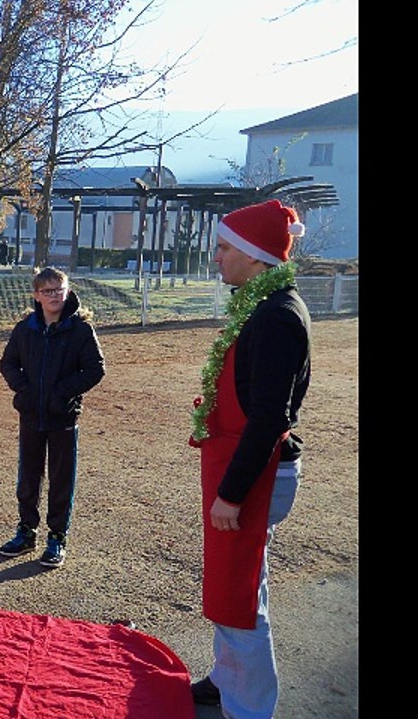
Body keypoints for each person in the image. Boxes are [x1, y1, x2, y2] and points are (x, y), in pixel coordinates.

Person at [187, 199, 312, 719]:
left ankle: (249, 708)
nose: (216, 257)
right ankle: (227, 679)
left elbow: (268, 417)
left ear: (256, 255)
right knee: (235, 581)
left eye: (223, 248)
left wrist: (232, 494)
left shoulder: (277, 316)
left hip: (255, 475)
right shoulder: (262, 305)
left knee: (238, 593)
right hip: (245, 465)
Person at [0, 267, 105, 567]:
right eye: (47, 291)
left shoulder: (80, 330)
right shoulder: (25, 329)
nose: (54, 295)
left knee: (61, 479)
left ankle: (57, 537)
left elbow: (95, 369)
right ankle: (26, 532)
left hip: (63, 417)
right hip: (31, 415)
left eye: (59, 289)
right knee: (28, 476)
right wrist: (24, 390)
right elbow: (8, 363)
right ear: (37, 295)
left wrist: (62, 392)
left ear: (68, 291)